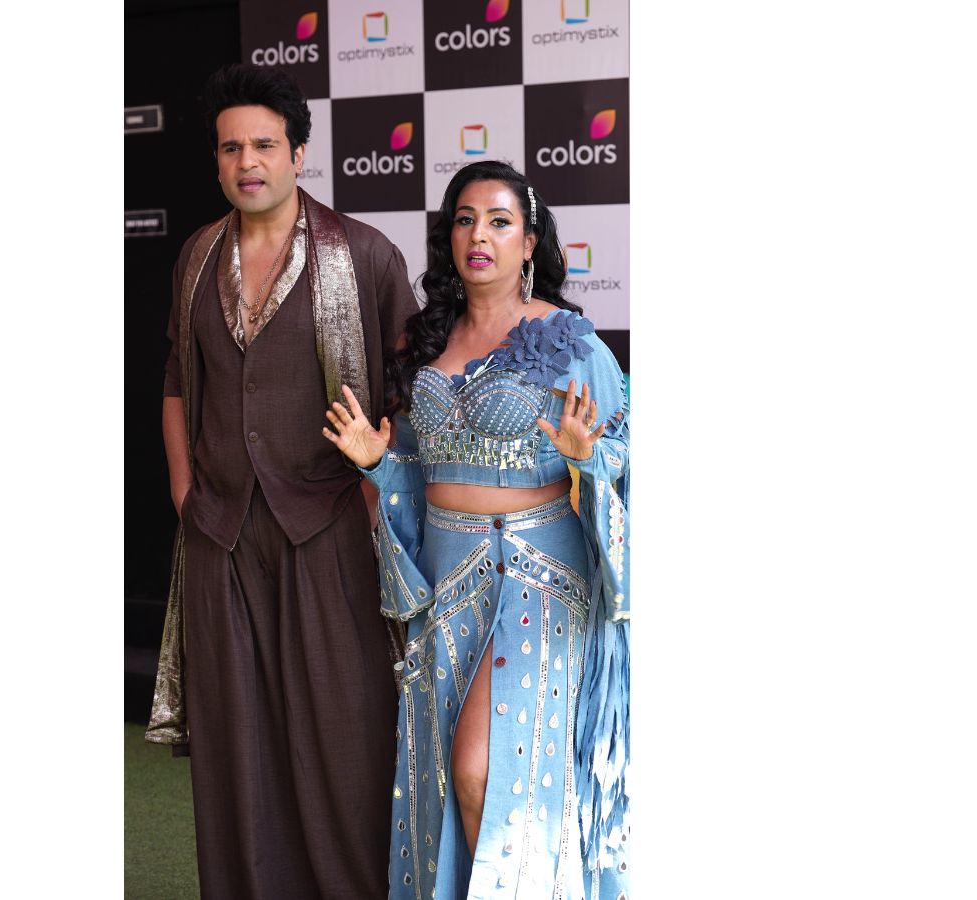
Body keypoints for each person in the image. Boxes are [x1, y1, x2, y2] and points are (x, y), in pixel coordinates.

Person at [145, 63, 419, 900]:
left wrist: (376, 487)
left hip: (329, 525)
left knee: (344, 744)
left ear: (299, 153)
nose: (247, 162)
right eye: (231, 148)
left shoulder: (364, 254)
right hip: (220, 531)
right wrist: (186, 492)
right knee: (236, 751)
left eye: (264, 145)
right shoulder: (197, 254)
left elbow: (410, 398)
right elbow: (177, 383)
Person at [323, 160, 630, 900]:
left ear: (530, 242)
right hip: (448, 580)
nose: (479, 236)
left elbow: (623, 452)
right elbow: (415, 470)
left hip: (539, 577)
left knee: (482, 770)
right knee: (449, 781)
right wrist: (376, 462)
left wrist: (586, 458)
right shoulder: (425, 340)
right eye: (465, 220)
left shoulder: (571, 340)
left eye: (499, 221)